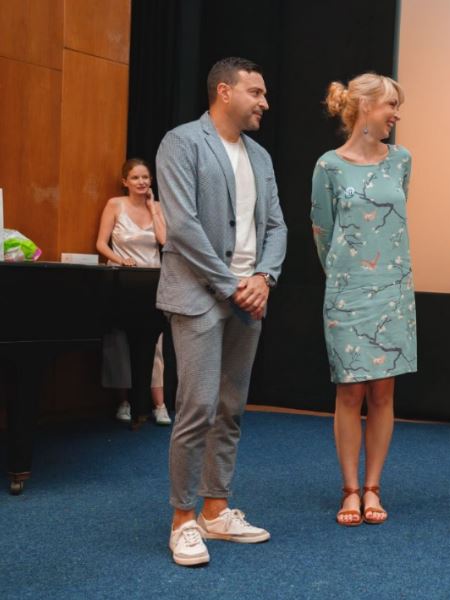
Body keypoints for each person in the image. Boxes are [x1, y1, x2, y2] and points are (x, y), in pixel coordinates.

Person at [156, 57, 287, 566]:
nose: (264, 103)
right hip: (199, 297)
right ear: (225, 92)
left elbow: (277, 226)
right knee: (197, 408)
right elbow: (183, 226)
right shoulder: (182, 142)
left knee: (231, 407)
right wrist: (233, 284)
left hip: (249, 298)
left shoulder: (261, 156)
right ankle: (182, 520)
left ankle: (215, 510)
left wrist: (264, 278)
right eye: (256, 92)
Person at [311, 73, 416, 527]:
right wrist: (344, 277)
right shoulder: (328, 166)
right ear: (365, 107)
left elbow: (393, 220)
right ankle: (350, 489)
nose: (396, 114)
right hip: (347, 290)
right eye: (391, 105)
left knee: (384, 391)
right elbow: (322, 231)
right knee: (350, 390)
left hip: (393, 288)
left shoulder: (402, 160)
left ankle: (373, 486)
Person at [96, 158, 171, 426]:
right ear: (125, 181)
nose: (142, 182)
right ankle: (124, 402)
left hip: (152, 281)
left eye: (146, 177)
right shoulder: (115, 204)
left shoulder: (158, 207)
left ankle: (159, 405)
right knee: (118, 341)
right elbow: (101, 244)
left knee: (155, 343)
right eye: (136, 178)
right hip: (123, 280)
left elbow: (164, 241)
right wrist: (120, 260)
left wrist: (153, 208)